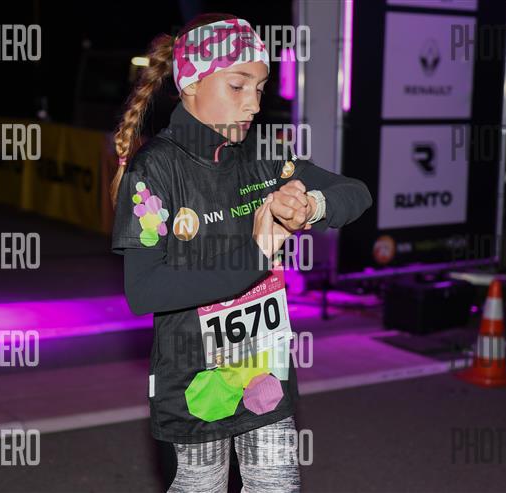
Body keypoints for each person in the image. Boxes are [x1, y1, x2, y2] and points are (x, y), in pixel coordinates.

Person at [111, 13, 372, 492]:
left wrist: (310, 206)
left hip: (264, 375)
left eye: (260, 87)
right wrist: (255, 254)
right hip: (195, 385)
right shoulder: (155, 170)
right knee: (201, 486)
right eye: (237, 85)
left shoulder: (262, 154)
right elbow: (143, 290)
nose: (253, 102)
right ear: (191, 83)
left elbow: (356, 192)